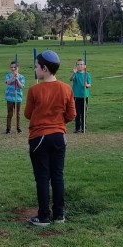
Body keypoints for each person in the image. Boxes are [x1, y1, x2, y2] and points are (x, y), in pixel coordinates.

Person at [24, 50, 76, 226]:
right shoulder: (66, 88)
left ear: (44, 68)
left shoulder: (34, 90)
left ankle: (44, 216)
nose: (35, 69)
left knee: (42, 177)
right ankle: (59, 215)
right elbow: (71, 115)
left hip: (39, 138)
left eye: (36, 66)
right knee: (57, 175)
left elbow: (27, 114)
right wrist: (58, 122)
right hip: (59, 137)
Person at [69, 59, 92, 133]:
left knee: (83, 112)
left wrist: (87, 85)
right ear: (76, 66)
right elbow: (70, 79)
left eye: (81, 64)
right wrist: (73, 73)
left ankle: (83, 127)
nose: (80, 66)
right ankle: (77, 128)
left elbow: (89, 84)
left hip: (85, 96)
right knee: (77, 113)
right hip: (76, 96)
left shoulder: (87, 74)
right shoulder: (75, 74)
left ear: (84, 66)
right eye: (78, 64)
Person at [4, 61, 25, 134]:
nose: (13, 69)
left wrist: (17, 79)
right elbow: (8, 82)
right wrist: (13, 77)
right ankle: (8, 129)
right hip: (9, 97)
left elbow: (21, 86)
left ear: (18, 68)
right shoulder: (8, 75)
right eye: (11, 67)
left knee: (18, 114)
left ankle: (18, 128)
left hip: (18, 98)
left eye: (14, 67)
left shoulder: (21, 77)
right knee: (10, 113)